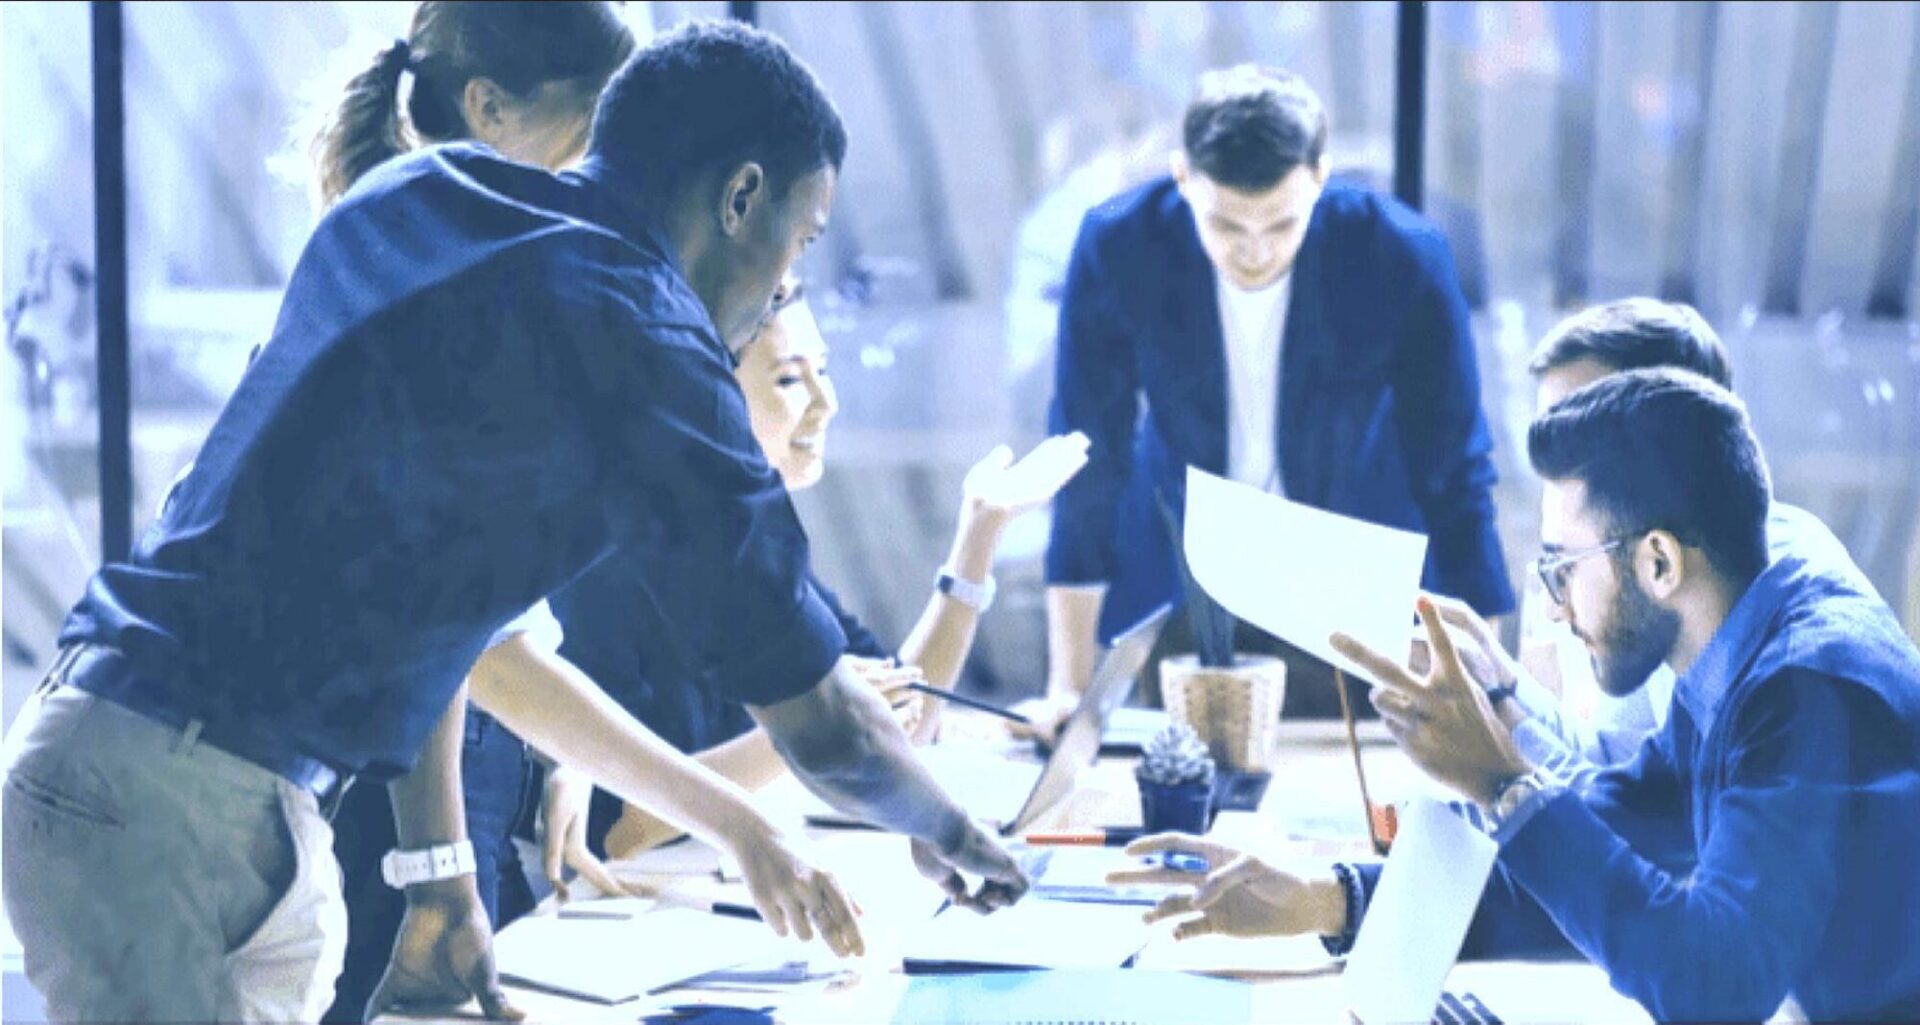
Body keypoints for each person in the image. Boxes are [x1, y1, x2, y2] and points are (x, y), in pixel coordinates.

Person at [2, 20, 1027, 1024]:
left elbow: (439, 610)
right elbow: (825, 724)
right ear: (741, 195)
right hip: (173, 805)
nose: (777, 295)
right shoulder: (640, 332)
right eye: (797, 241)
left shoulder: (424, 191)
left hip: (162, 772)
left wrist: (441, 872)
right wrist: (949, 829)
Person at [1119, 369, 1920, 1021]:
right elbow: (1622, 844)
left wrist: (1502, 781)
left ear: (1660, 564)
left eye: (1561, 567)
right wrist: (1328, 897)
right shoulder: (1739, 642)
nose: (1555, 607)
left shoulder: (1805, 690)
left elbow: (1710, 989)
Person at [536, 280, 1090, 867]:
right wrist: (810, 729)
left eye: (822, 370)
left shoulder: (749, 549)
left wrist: (978, 533)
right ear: (704, 395)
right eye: (790, 380)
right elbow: (620, 830)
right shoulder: (615, 570)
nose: (826, 403)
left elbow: (899, 723)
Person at [1039, 64, 1512, 732]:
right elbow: (1090, 459)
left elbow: (1455, 474)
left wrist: (1483, 690)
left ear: (1321, 178)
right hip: (1190, 583)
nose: (1255, 252)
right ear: (1182, 178)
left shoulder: (1400, 257)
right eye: (1227, 227)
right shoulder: (1120, 247)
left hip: (1356, 578)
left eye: (1282, 225)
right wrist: (1068, 685)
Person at [1468, 298, 1878, 783]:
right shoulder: (1649, 592)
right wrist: (1497, 681)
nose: (1556, 468)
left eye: (1583, 430)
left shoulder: (1751, 616)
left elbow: (1662, 835)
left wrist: (1498, 771)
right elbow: (1615, 768)